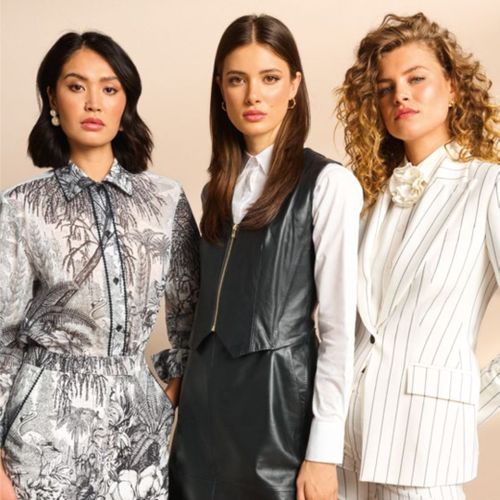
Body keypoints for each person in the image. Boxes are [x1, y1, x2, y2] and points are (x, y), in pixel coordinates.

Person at [169, 14, 362, 500]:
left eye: (270, 78)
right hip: (201, 421)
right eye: (237, 80)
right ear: (221, 90)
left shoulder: (329, 184)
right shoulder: (216, 190)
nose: (253, 95)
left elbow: (339, 329)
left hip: (278, 419)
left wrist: (322, 452)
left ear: (294, 85)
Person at [0, 31, 199, 499]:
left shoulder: (166, 201)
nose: (93, 102)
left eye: (109, 88)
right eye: (76, 86)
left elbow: (191, 313)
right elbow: (2, 339)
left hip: (136, 436)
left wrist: (167, 398)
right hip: (42, 436)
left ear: (125, 102)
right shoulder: (21, 207)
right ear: (52, 98)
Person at [336, 12, 500, 499]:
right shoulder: (366, 198)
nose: (400, 96)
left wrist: (468, 400)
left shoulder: (488, 186)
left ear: (453, 88)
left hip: (426, 445)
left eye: (416, 79)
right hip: (343, 445)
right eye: (385, 88)